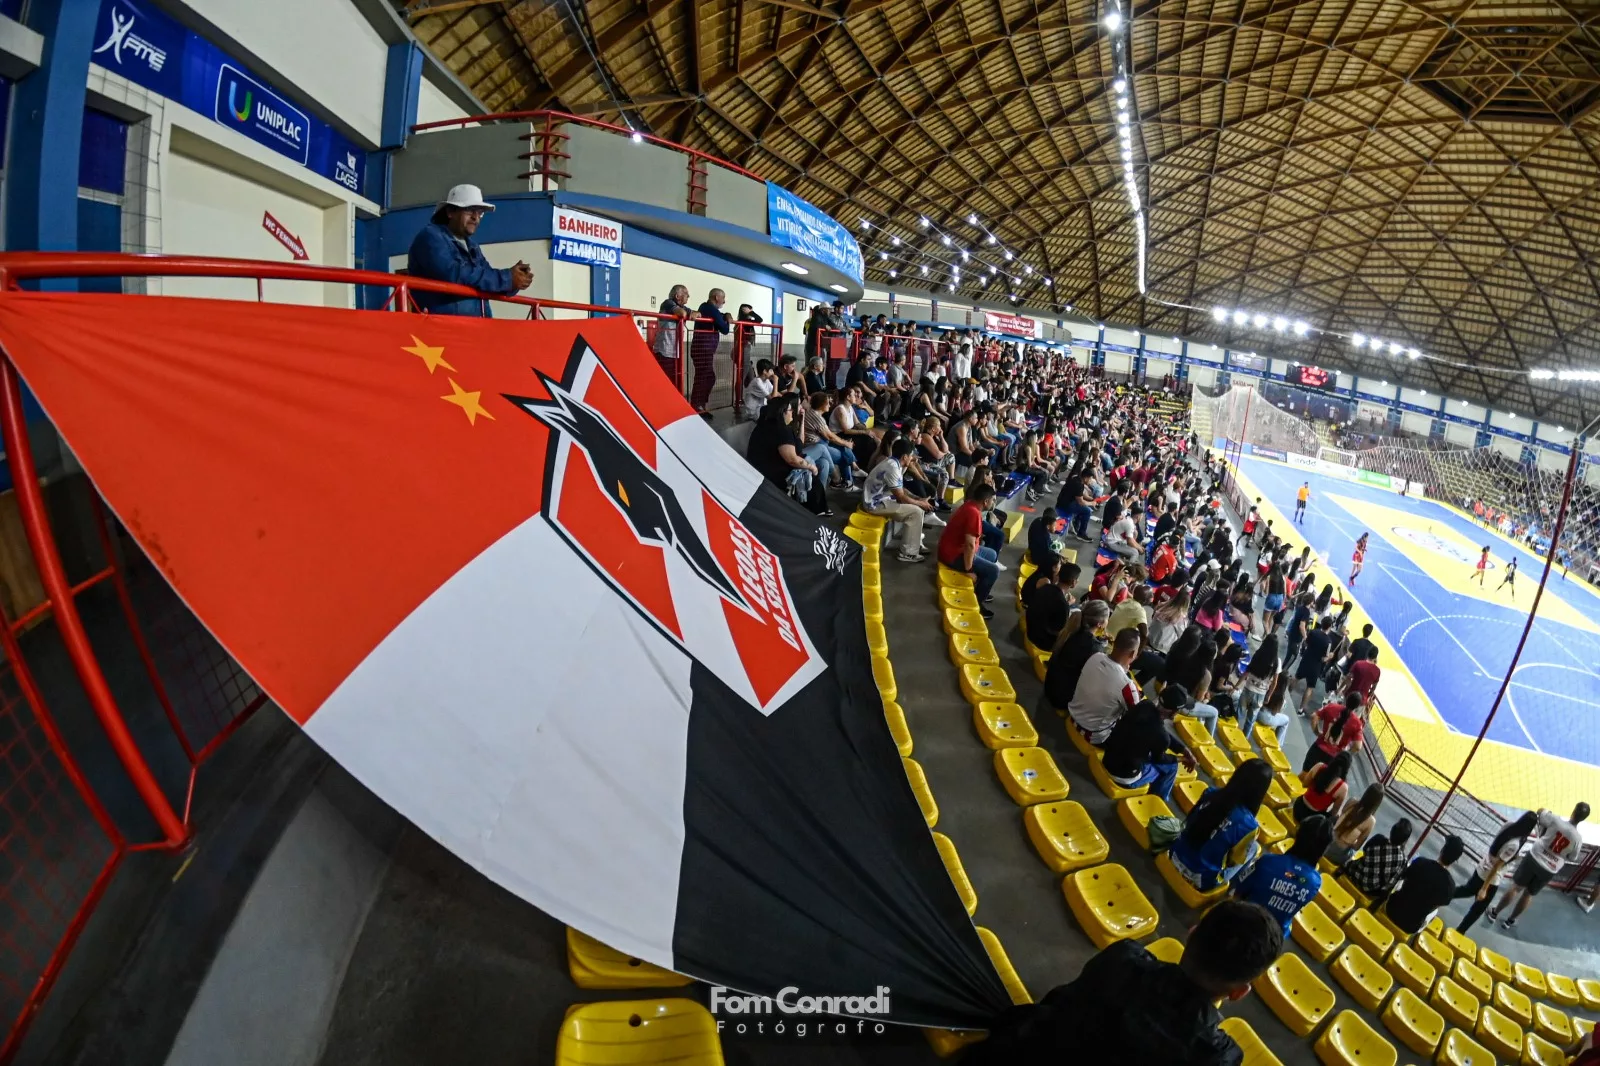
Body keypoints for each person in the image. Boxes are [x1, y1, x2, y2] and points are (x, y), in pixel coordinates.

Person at [965, 900, 1284, 1066]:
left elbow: (1060, 1002)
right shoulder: (1218, 1057)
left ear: (1190, 935)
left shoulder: (1123, 959)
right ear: (1239, 993)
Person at [407, 184, 533, 316]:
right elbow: (455, 274)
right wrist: (507, 278)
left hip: (473, 328)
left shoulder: (472, 246)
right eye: (469, 210)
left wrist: (515, 282)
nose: (476, 217)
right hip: (441, 329)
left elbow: (488, 279)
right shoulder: (430, 237)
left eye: (479, 212)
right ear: (450, 212)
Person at [1168, 759, 1273, 892]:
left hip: (1175, 853)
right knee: (1254, 848)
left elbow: (1190, 821)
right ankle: (1231, 892)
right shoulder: (1249, 825)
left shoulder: (1210, 792)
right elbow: (1233, 861)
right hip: (1200, 880)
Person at [1487, 803, 1590, 929]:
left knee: (1516, 888)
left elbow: (1540, 812)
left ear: (1573, 811)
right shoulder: (1578, 839)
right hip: (1550, 868)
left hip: (1535, 857)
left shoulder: (1556, 820)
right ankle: (1509, 921)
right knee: (1528, 894)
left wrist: (1548, 813)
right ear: (1583, 819)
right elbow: (1572, 857)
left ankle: (1494, 913)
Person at [1234, 815, 1331, 935]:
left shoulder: (1268, 861)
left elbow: (1238, 888)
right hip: (1273, 935)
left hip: (1242, 920)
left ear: (1299, 834)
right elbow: (1293, 880)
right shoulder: (1315, 882)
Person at [1101, 683, 1196, 802]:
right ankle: (1158, 800)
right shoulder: (1161, 736)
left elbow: (1162, 734)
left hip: (1108, 759)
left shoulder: (1144, 705)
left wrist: (1184, 750)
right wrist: (1182, 759)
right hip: (1124, 776)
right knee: (1171, 766)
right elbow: (1159, 759)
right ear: (1174, 712)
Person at [1454, 811, 1537, 933]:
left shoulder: (1509, 826)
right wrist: (1484, 888)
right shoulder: (1514, 844)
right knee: (1478, 909)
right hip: (1491, 879)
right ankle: (1460, 931)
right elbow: (1497, 866)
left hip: (1483, 866)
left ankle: (1441, 895)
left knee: (1466, 890)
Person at [863, 439, 939, 563]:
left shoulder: (894, 463)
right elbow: (901, 497)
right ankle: (908, 553)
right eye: (911, 456)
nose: (912, 459)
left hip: (882, 497)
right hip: (874, 504)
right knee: (916, 512)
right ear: (904, 457)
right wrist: (921, 503)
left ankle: (915, 544)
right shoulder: (892, 468)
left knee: (917, 506)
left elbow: (900, 489)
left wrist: (917, 498)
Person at [745, 397, 825, 514]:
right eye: (789, 410)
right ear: (782, 412)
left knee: (823, 463)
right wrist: (811, 467)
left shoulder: (764, 426)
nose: (792, 412)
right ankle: (813, 512)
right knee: (813, 473)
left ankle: (819, 509)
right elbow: (792, 459)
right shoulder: (781, 429)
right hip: (770, 474)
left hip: (760, 469)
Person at [1067, 627, 1142, 745]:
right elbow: (1138, 716)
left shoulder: (1095, 656)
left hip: (1073, 717)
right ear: (1133, 654)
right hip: (1094, 736)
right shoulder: (1126, 685)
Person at [1040, 600, 1111, 718]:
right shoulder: (1094, 647)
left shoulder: (1073, 629)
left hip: (1050, 685)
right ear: (1100, 624)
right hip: (1062, 698)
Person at [938, 484, 1000, 615]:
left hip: (957, 549)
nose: (994, 502)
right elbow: (969, 546)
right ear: (986, 501)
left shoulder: (970, 505)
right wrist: (969, 570)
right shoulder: (973, 513)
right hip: (954, 555)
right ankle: (977, 603)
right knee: (993, 571)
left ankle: (982, 588)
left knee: (992, 554)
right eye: (993, 500)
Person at [1383, 835, 1464, 935]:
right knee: (1435, 912)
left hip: (1391, 909)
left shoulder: (1420, 862)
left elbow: (1403, 876)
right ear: (1455, 860)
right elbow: (1436, 905)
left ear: (1442, 850)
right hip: (1411, 926)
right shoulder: (1450, 886)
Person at [1341, 819, 1413, 904]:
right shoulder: (1403, 861)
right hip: (1371, 892)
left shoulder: (1378, 839)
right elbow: (1392, 882)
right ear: (1405, 840)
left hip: (1355, 875)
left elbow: (1365, 850)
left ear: (1391, 831)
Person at [1025, 560, 1080, 649]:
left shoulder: (1045, 587)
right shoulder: (1062, 604)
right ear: (1073, 582)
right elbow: (1059, 630)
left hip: (1030, 631)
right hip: (1042, 642)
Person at [1303, 695, 1364, 773]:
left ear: (1346, 700)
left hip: (1317, 750)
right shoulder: (1357, 723)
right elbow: (1358, 747)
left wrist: (1317, 732)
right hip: (1333, 760)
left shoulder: (1331, 706)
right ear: (1357, 707)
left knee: (1303, 776)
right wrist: (1346, 752)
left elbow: (1314, 717)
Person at [1327, 784, 1383, 867]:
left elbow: (1340, 820)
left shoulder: (1352, 801)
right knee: (1353, 854)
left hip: (1326, 842)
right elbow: (1356, 847)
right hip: (1338, 856)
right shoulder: (1371, 821)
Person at [1293, 751, 1351, 825]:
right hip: (1312, 820)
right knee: (1335, 817)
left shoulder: (1319, 766)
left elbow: (1304, 784)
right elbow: (1334, 811)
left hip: (1298, 807)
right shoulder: (1343, 787)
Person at [652, 283, 693, 379]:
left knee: (676, 381)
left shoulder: (682, 306)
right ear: (677, 296)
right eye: (686, 293)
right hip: (664, 351)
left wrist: (693, 314)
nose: (688, 296)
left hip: (675, 351)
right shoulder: (667, 303)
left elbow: (697, 313)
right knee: (666, 381)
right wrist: (689, 314)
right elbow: (682, 313)